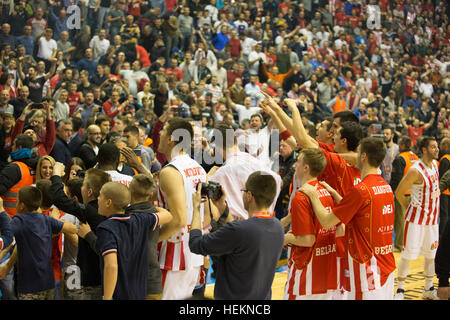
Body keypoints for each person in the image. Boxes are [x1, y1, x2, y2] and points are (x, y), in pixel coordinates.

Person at [300, 137, 396, 300]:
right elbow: (358, 212)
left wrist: (312, 195)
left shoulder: (360, 190)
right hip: (385, 265)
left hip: (366, 271)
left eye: (358, 153)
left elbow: (327, 221)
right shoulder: (386, 186)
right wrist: (335, 194)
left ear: (363, 157)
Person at [189, 171, 284, 300]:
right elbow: (241, 236)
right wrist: (222, 207)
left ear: (249, 196)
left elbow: (196, 244)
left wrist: (196, 209)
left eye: (243, 191)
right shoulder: (277, 227)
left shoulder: (240, 230)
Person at [81, 182, 171, 300]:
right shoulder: (140, 220)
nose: (98, 199)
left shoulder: (106, 228)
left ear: (108, 202)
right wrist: (154, 208)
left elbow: (111, 265)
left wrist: (107, 298)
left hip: (119, 294)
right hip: (139, 293)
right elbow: (168, 215)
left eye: (100, 196)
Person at [156, 117, 207, 300]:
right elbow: (206, 216)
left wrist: (150, 240)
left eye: (163, 131)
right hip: (193, 253)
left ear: (170, 138)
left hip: (173, 254)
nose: (159, 134)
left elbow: (178, 219)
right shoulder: (199, 168)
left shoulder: (170, 172)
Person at [284, 148, 343, 300]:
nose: (294, 165)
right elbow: (339, 229)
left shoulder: (301, 197)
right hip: (327, 268)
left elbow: (307, 240)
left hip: (306, 272)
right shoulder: (325, 190)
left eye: (298, 162)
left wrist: (287, 238)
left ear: (306, 168)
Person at [0, 186, 76, 300]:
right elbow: (72, 228)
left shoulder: (19, 221)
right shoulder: (46, 220)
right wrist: (55, 222)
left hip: (29, 287)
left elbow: (7, 237)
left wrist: (1, 210)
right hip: (48, 283)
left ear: (21, 205)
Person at [50, 165, 111, 300]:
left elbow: (59, 198)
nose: (81, 187)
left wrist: (56, 175)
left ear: (89, 192)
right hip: (104, 275)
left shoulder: (89, 210)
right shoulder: (111, 209)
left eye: (83, 185)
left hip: (90, 278)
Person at [394, 136, 441, 300]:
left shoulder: (435, 165)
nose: (437, 149)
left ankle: (428, 288)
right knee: (407, 255)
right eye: (433, 147)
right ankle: (400, 290)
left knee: (431, 255)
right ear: (424, 149)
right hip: (416, 221)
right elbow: (399, 192)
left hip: (432, 221)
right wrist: (408, 207)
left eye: (437, 146)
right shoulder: (415, 170)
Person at [209, 123, 281, 220]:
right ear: (236, 141)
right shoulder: (259, 164)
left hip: (237, 227)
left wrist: (208, 175)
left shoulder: (221, 173)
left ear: (218, 147)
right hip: (264, 222)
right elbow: (278, 180)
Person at [389, 136, 419, 251]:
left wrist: (392, 191)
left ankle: (399, 244)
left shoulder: (400, 158)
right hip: (414, 193)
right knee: (412, 219)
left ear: (402, 145)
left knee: (400, 220)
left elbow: (396, 178)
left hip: (402, 194)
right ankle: (411, 243)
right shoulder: (415, 156)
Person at [0, 134, 37, 218]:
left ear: (19, 147)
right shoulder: (34, 167)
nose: (12, 147)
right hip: (25, 218)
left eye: (13, 144)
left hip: (8, 217)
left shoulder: (14, 168)